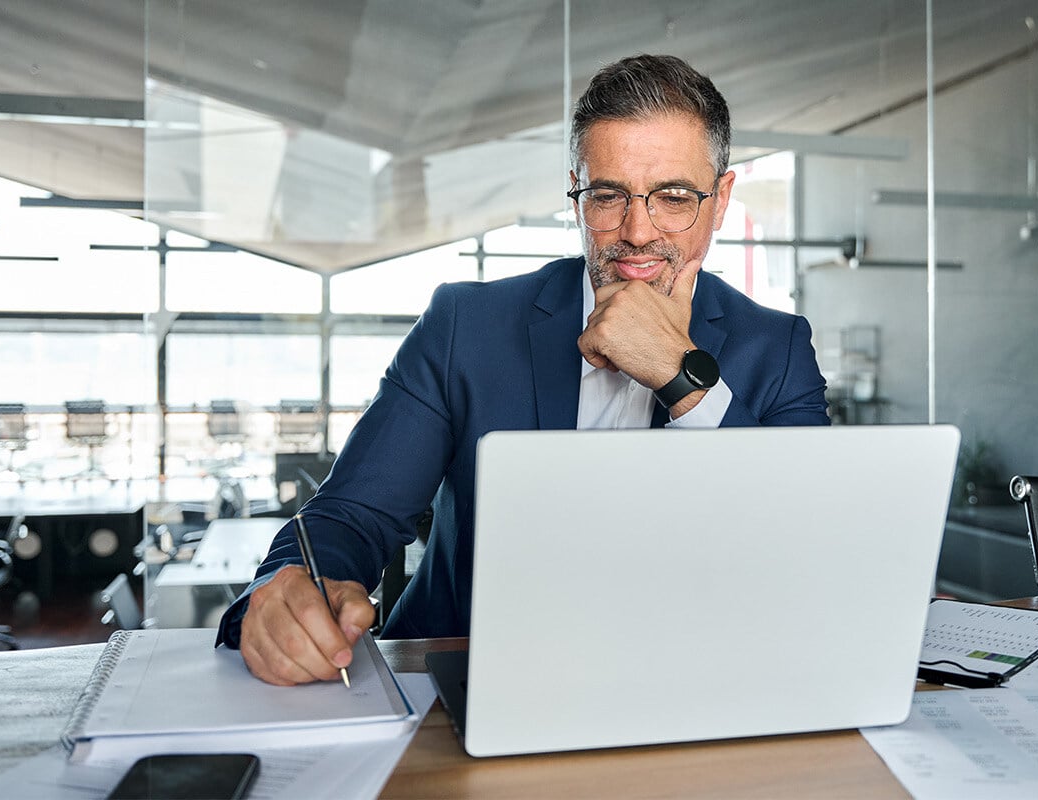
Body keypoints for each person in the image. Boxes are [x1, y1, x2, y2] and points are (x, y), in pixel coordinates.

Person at [218, 54, 830, 686]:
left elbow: (809, 549)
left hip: (684, 686)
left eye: (674, 197)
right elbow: (352, 515)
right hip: (459, 681)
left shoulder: (776, 348)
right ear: (576, 193)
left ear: (721, 198)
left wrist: (681, 377)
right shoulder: (467, 324)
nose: (637, 231)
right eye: (607, 195)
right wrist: (286, 588)